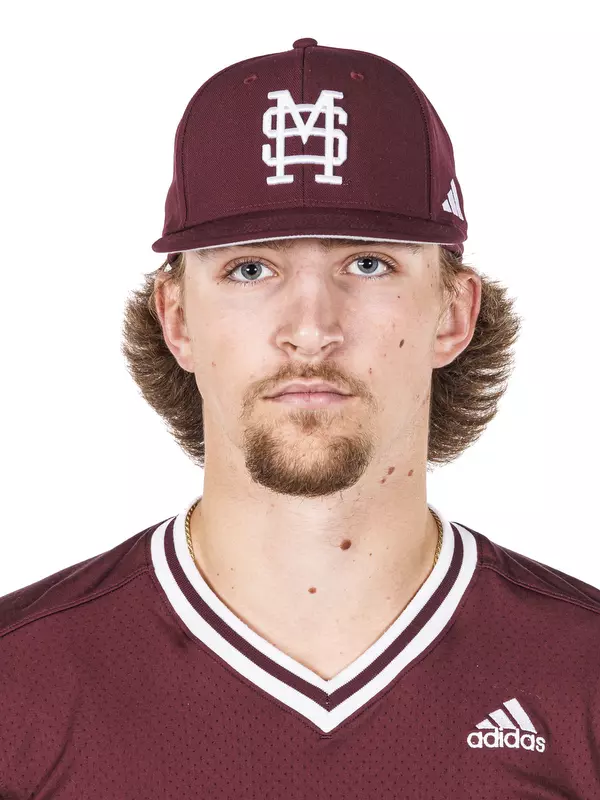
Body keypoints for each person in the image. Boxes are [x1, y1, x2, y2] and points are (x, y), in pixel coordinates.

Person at [1, 37, 598, 799]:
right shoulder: (19, 685)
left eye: (367, 264)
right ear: (177, 318)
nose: (312, 328)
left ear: (453, 314)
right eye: (251, 269)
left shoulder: (583, 680)